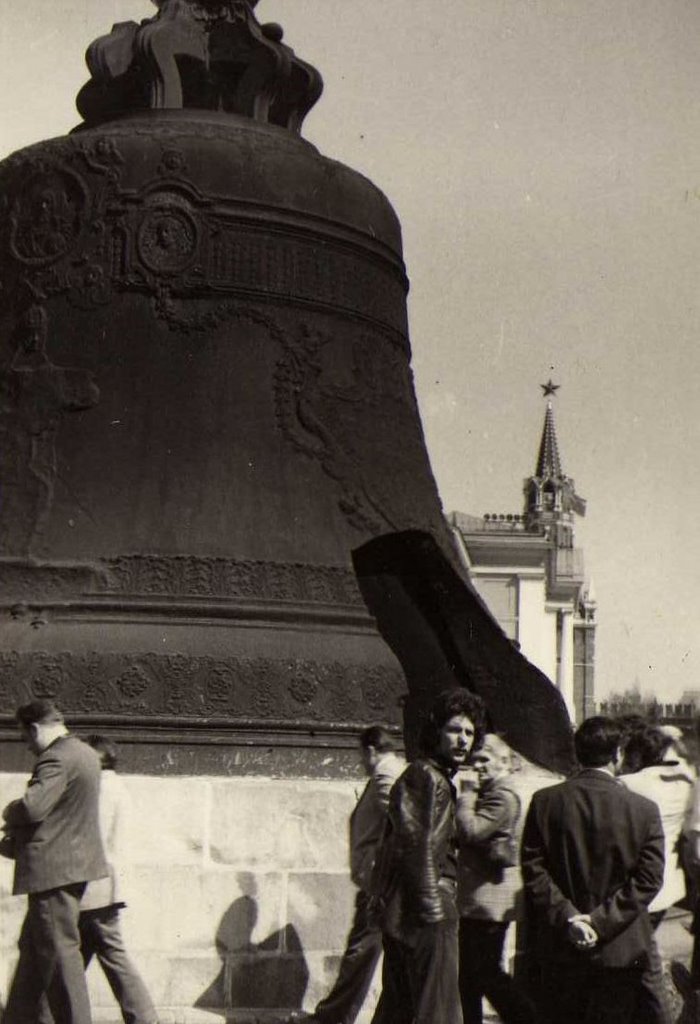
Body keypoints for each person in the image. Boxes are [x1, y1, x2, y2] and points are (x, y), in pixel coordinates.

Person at [521, 715, 665, 1024]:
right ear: (617, 755)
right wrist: (600, 922)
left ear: (577, 753)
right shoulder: (644, 811)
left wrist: (570, 918)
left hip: (560, 947)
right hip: (620, 951)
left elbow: (534, 871)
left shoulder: (545, 802)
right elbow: (648, 880)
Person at [369, 687, 487, 1024]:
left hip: (413, 908)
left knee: (400, 1010)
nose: (463, 739)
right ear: (436, 732)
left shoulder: (429, 777)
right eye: (454, 730)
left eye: (469, 732)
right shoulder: (428, 778)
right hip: (428, 908)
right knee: (437, 1012)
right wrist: (432, 912)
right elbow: (418, 848)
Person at [38, 735, 159, 1024]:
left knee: (86, 953)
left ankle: (143, 1018)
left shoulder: (98, 789)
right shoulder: (117, 787)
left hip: (91, 884)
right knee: (79, 953)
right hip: (105, 885)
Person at [1, 700, 108, 1024]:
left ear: (34, 729)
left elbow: (33, 808)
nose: (29, 748)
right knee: (34, 952)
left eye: (26, 739)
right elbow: (61, 816)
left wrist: (9, 811)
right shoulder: (86, 754)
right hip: (72, 866)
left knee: (60, 956)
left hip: (52, 873)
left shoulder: (55, 758)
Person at [304, 726, 405, 1024]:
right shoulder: (388, 773)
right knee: (371, 953)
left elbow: (399, 819)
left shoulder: (386, 774)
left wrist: (380, 867)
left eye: (362, 753)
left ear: (372, 750)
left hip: (379, 883)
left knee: (361, 953)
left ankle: (331, 1018)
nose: (361, 760)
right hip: (381, 882)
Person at [455, 734, 536, 1024]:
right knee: (469, 976)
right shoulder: (494, 789)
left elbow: (472, 831)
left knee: (487, 973)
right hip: (480, 899)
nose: (477, 765)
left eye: (484, 759)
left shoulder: (502, 795)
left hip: (489, 902)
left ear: (504, 761)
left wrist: (466, 795)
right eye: (475, 759)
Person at [620, 725, 694, 1024]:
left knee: (643, 962)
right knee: (640, 957)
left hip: (639, 887)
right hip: (669, 888)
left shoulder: (628, 783)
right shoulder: (686, 783)